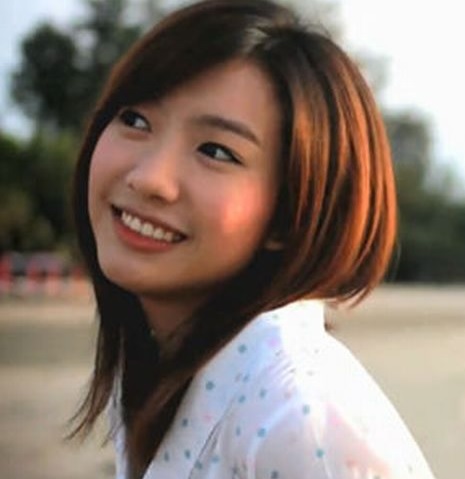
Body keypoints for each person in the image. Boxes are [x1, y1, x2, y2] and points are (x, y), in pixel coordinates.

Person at [70, 1, 436, 478]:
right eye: (136, 120)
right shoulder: (157, 363)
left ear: (291, 216)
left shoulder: (299, 418)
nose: (150, 178)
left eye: (216, 151)